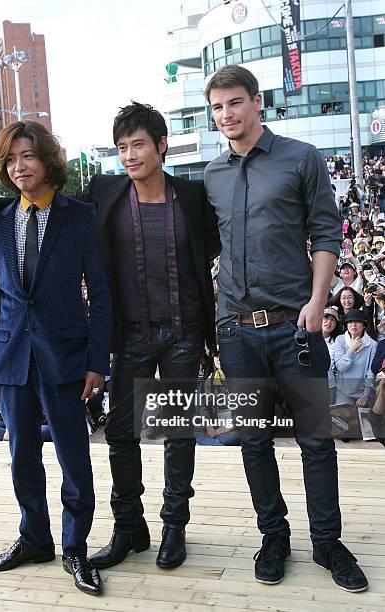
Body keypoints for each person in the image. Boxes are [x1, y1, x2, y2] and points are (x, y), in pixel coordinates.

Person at [0, 102, 220, 571]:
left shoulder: (193, 194)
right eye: (122, 147)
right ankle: (130, 529)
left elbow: (215, 245)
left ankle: (174, 527)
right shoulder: (104, 192)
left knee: (177, 434)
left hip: (185, 332)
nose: (130, 155)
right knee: (121, 436)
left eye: (139, 145)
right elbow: (40, 198)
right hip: (129, 335)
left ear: (162, 147)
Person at [203, 64, 368, 592]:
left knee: (317, 440)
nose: (225, 115)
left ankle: (327, 542)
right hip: (239, 333)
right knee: (253, 443)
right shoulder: (211, 175)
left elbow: (326, 232)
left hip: (295, 328)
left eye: (234, 103)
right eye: (217, 107)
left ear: (257, 102)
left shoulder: (301, 157)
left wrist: (319, 301)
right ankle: (273, 536)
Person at [0, 120, 112, 597]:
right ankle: (35, 538)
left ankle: (76, 548)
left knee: (75, 460)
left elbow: (101, 293)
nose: (18, 167)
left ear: (48, 160)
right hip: (11, 360)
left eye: (27, 156)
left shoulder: (79, 218)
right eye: (10, 160)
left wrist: (98, 360)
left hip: (67, 358)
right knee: (21, 458)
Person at [333, 309, 377, 407]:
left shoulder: (372, 345)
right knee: (341, 420)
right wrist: (351, 350)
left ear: (364, 325)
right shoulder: (340, 339)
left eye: (357, 322)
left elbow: (371, 371)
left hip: (364, 393)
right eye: (350, 322)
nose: (353, 325)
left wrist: (366, 394)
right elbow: (340, 367)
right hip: (343, 392)